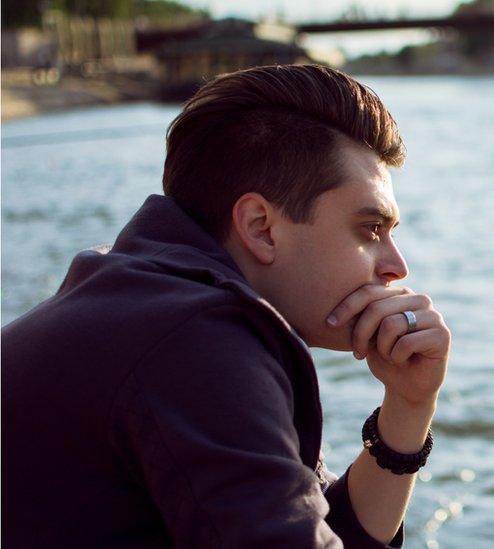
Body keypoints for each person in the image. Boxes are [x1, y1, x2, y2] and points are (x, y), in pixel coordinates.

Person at [1, 64, 451, 548]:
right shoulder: (194, 338)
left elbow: (325, 534)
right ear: (260, 227)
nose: (395, 265)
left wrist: (408, 405)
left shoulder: (148, 295)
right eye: (370, 229)